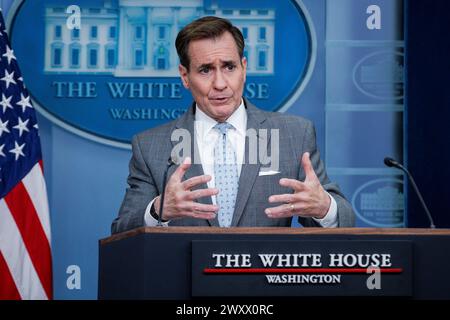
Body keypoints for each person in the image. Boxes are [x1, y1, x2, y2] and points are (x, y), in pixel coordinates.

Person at [111, 16, 355, 234]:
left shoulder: (293, 134)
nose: (220, 83)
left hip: (265, 282)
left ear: (244, 68)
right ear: (185, 76)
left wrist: (323, 208)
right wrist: (158, 210)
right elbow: (122, 230)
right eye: (205, 70)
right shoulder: (151, 146)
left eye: (229, 67)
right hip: (183, 282)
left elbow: (344, 220)